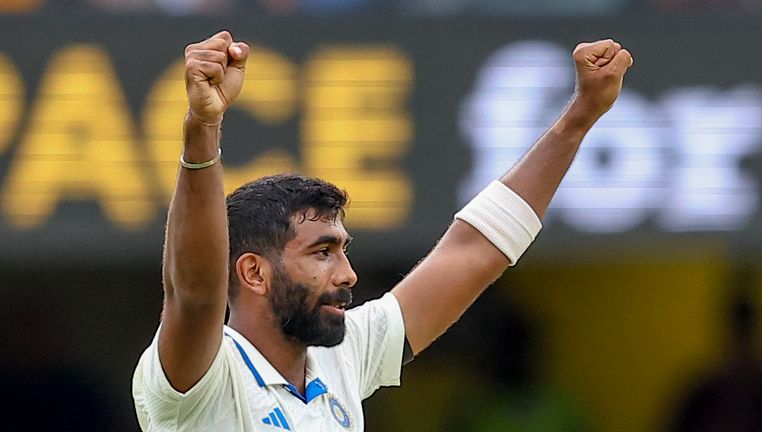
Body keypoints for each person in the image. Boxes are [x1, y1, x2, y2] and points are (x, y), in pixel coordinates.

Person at [132, 30, 633, 431]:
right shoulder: (201, 381)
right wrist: (202, 127)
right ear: (253, 273)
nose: (348, 274)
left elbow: (474, 250)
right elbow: (194, 294)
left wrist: (578, 119)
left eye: (343, 250)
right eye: (322, 252)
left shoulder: (342, 358)